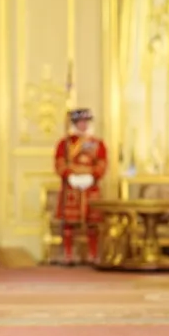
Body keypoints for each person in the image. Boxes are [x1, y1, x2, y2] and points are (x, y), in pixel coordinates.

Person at [53, 108, 108, 265]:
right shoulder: (65, 143)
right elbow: (59, 162)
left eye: (85, 122)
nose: (83, 125)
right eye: (80, 122)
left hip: (91, 187)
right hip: (71, 187)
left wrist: (92, 176)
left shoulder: (97, 143)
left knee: (93, 223)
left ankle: (92, 254)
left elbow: (102, 163)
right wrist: (69, 176)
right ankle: (69, 254)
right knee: (69, 223)